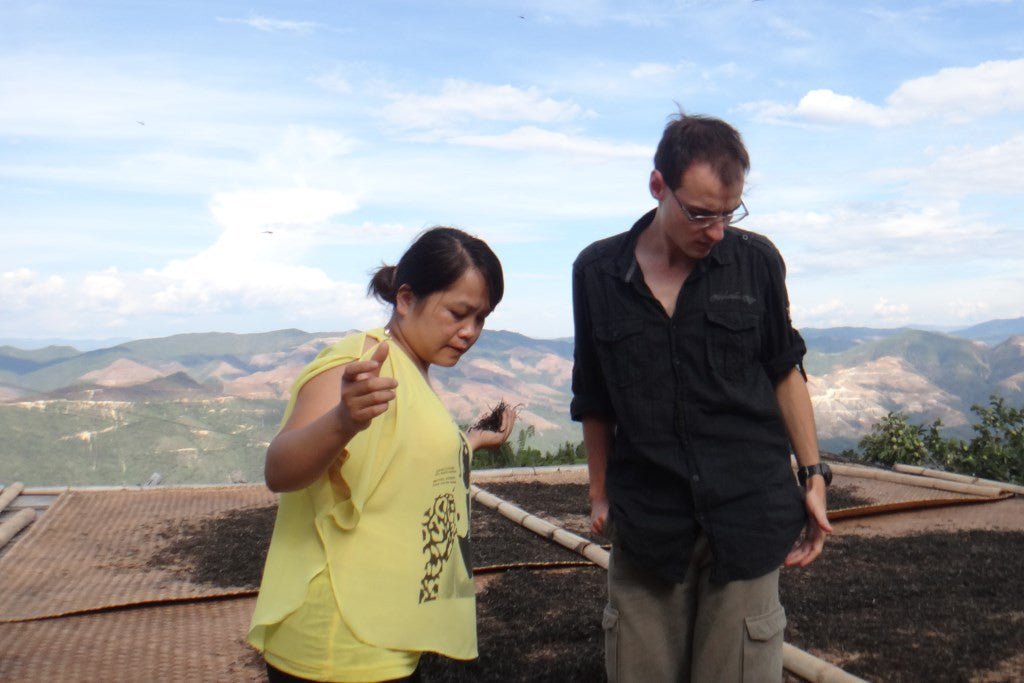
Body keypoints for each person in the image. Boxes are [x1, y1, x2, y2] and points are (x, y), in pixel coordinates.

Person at [570, 113, 832, 682]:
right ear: (657, 185)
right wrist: (599, 491)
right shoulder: (596, 272)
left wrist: (813, 475)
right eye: (700, 213)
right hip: (647, 523)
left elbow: (785, 370)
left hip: (748, 515)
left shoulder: (756, 262)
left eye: (729, 213)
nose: (716, 231)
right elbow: (593, 393)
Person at [248, 226, 516, 682]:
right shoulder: (359, 361)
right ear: (406, 299)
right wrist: (342, 420)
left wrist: (470, 442)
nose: (470, 332)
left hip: (380, 630)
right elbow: (279, 470)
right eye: (458, 313)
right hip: (338, 642)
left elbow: (401, 461)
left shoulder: (411, 367)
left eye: (481, 319)